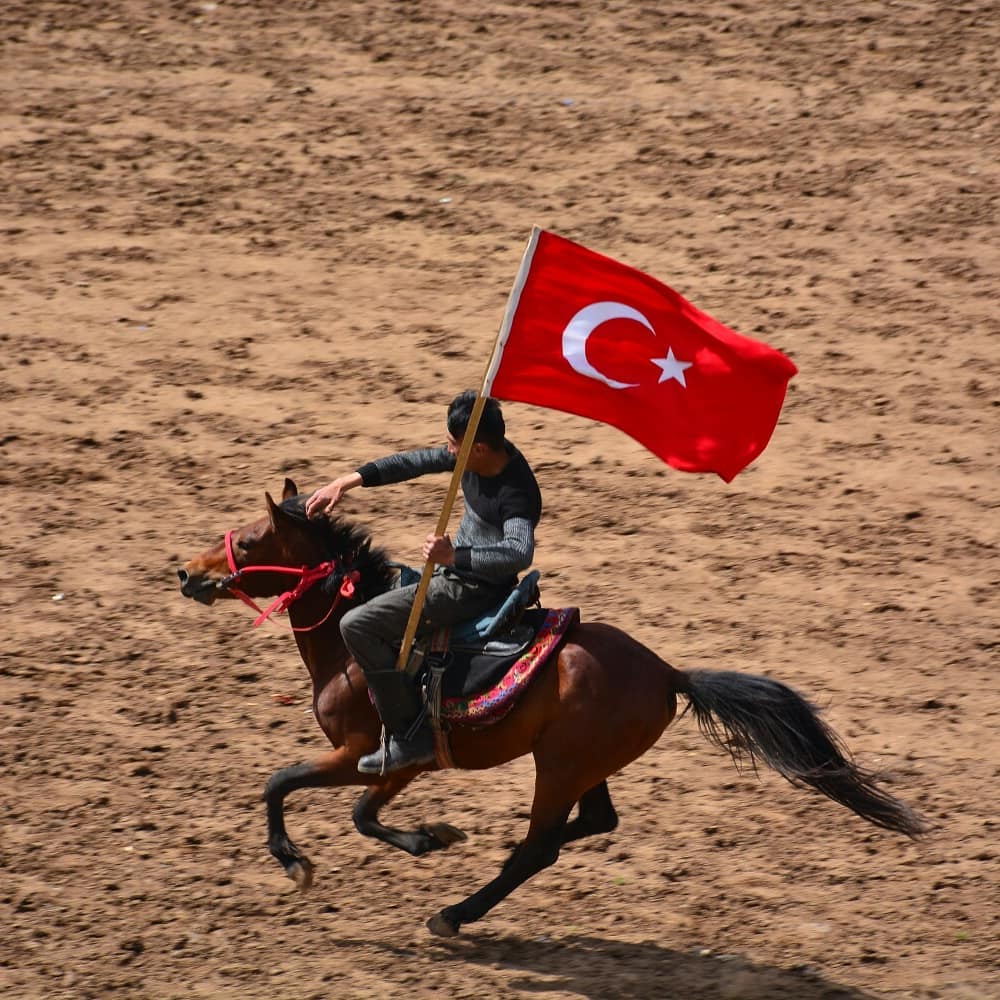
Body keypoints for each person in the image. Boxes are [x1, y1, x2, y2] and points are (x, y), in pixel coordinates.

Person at [305, 390, 542, 774]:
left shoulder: (516, 493)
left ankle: (408, 736)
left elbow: (519, 551)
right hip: (452, 570)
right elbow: (415, 462)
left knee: (356, 625)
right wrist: (348, 481)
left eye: (453, 444)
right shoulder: (474, 457)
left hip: (471, 588)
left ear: (479, 449)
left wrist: (454, 557)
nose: (447, 450)